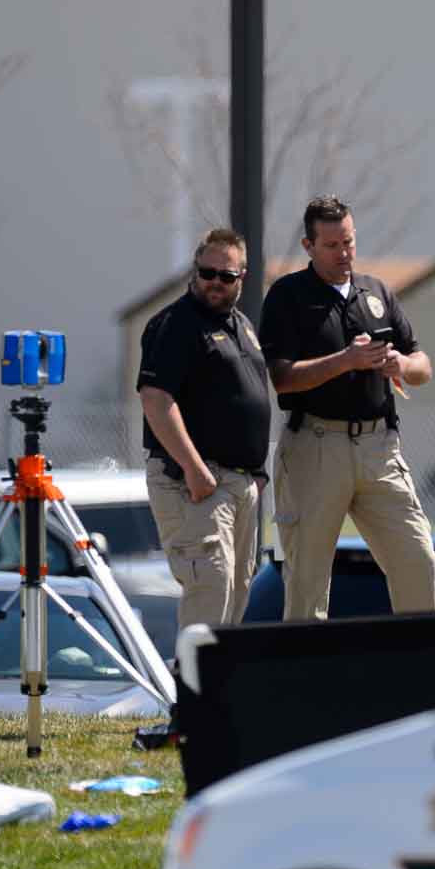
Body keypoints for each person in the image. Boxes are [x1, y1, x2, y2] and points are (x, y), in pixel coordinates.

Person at [259, 195, 435, 618]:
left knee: (419, 561)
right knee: (306, 582)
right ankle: (305, 681)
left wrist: (401, 364)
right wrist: (346, 360)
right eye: (332, 245)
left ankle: (431, 672)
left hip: (379, 448)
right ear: (308, 246)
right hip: (316, 445)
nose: (344, 253)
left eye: (349, 242)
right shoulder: (288, 296)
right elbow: (282, 377)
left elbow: (422, 364)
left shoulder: (376, 292)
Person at [136, 227, 273, 630]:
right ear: (194, 271)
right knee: (210, 590)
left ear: (241, 278)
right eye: (206, 272)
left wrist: (257, 474)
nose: (214, 282)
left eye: (225, 276)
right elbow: (155, 399)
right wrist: (195, 470)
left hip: (241, 484)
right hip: (196, 482)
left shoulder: (243, 325)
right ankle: (194, 691)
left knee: (236, 595)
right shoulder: (175, 323)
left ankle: (218, 690)